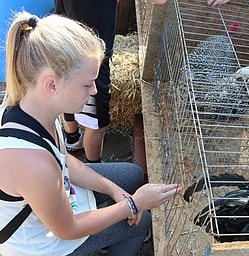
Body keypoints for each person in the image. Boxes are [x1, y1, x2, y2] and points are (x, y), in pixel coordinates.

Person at [0, 11, 182, 256]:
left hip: (56, 198)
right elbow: (68, 229)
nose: (95, 90)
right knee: (144, 221)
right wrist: (133, 204)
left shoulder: (34, 106)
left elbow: (62, 161)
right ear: (51, 84)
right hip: (42, 242)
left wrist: (111, 189)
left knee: (133, 175)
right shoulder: (32, 164)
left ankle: (109, 228)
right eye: (86, 84)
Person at [54, 0, 117, 163]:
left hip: (67, 45)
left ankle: (72, 139)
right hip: (90, 56)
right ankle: (94, 166)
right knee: (98, 123)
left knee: (68, 96)